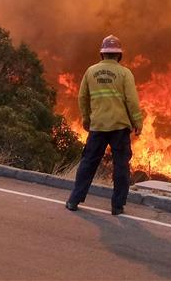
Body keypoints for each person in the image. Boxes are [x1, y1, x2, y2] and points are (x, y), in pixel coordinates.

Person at [65, 34, 144, 215]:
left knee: (88, 164)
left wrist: (86, 119)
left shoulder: (90, 72)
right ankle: (117, 206)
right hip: (119, 127)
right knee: (121, 166)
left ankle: (74, 200)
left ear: (102, 54)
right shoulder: (125, 73)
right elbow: (132, 101)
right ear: (119, 55)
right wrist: (137, 122)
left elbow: (82, 97)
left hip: (98, 126)